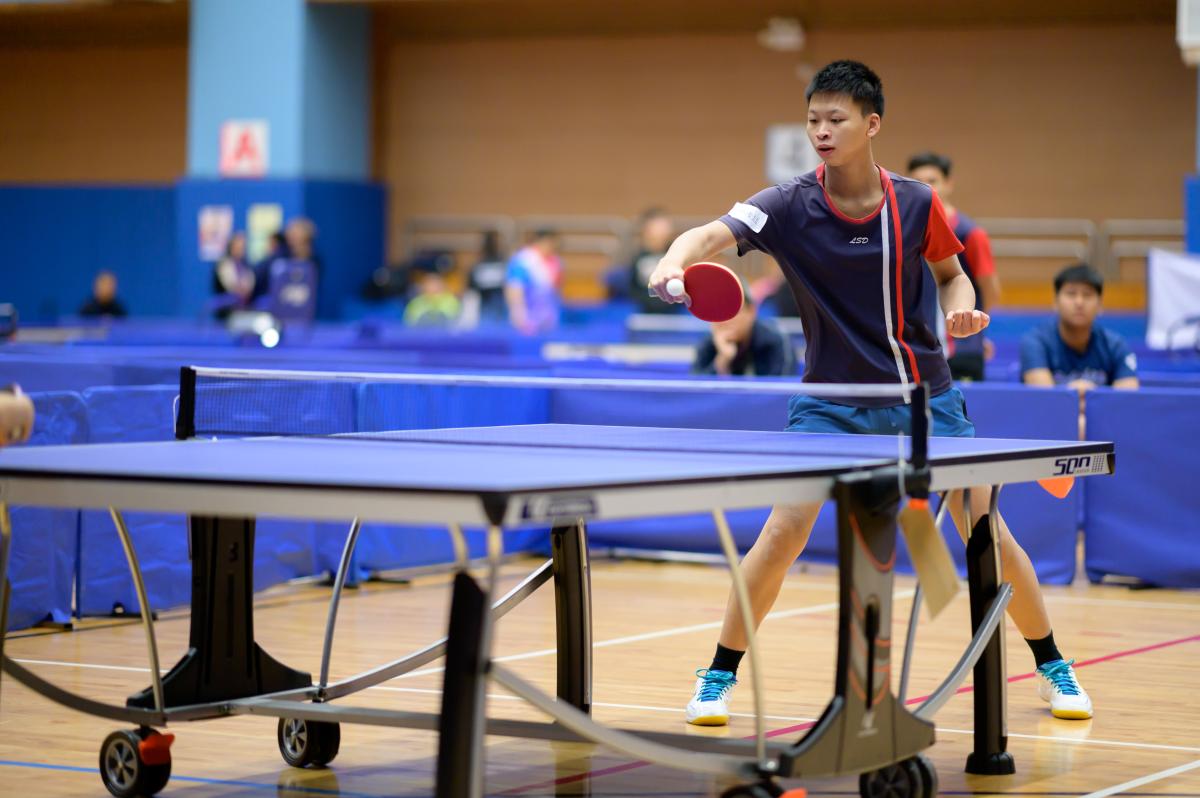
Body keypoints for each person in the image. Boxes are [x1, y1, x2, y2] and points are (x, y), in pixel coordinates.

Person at [648, 60, 1092, 725]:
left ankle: (1053, 664)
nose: (821, 131)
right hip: (830, 402)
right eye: (813, 120)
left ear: (872, 123)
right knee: (784, 530)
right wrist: (672, 261)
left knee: (986, 532)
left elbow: (952, 275)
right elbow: (709, 234)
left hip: (923, 400)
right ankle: (718, 675)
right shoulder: (786, 204)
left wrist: (960, 310)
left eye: (837, 118)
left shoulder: (916, 202)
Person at [908, 152, 1000, 381]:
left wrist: (974, 329)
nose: (925, 188)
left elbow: (990, 289)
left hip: (962, 351)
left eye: (932, 180)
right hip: (918, 349)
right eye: (917, 181)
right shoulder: (906, 231)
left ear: (948, 184)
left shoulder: (971, 233)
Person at [1022, 263, 1138, 436]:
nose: (1079, 302)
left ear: (1100, 304)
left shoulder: (1116, 345)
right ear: (1055, 302)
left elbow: (1127, 399)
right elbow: (1045, 400)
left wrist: (1086, 394)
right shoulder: (1035, 342)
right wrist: (1081, 394)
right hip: (1048, 431)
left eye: (1087, 295)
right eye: (1071, 294)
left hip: (1105, 429)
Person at [693, 287, 795, 376]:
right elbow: (695, 389)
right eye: (718, 311)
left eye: (732, 311)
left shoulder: (777, 340)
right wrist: (723, 360)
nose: (725, 319)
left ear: (751, 311)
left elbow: (782, 389)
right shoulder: (708, 342)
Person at [504, 229, 562, 334]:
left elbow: (555, 290)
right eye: (552, 243)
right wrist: (519, 314)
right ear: (542, 241)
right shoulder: (523, 260)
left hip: (548, 319)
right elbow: (514, 288)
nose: (554, 247)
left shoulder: (555, 261)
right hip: (527, 321)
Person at [626, 208, 682, 314]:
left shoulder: (676, 255)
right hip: (645, 312)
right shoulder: (638, 257)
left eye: (665, 227)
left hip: (674, 313)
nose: (662, 231)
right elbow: (633, 288)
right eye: (658, 227)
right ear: (647, 230)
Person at [460, 231, 510, 327]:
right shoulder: (503, 265)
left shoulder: (480, 266)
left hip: (497, 306)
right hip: (488, 306)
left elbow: (470, 288)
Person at [212, 232, 256, 319]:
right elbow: (229, 285)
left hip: (246, 304)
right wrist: (240, 290)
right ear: (231, 247)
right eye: (237, 247)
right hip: (228, 307)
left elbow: (250, 284)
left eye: (242, 248)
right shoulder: (224, 264)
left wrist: (246, 290)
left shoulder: (246, 265)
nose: (240, 250)